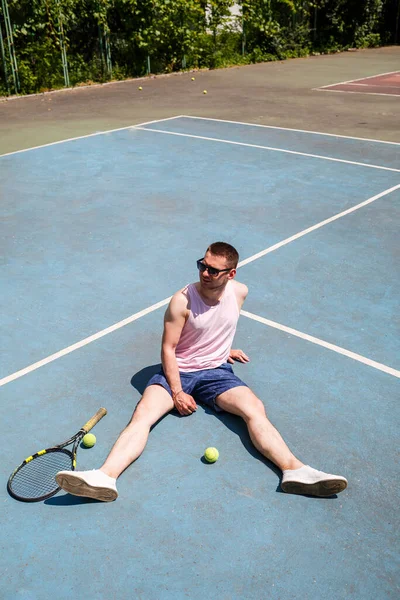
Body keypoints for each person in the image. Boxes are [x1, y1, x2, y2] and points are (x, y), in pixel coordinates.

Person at [56, 242, 347, 501]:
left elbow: (223, 322)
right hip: (179, 371)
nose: (205, 273)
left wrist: (223, 350)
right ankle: (105, 477)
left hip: (216, 372)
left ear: (231, 274)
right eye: (202, 266)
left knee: (254, 409)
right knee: (143, 415)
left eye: (214, 270)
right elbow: (168, 349)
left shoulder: (240, 293)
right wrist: (178, 392)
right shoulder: (182, 301)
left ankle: (294, 471)